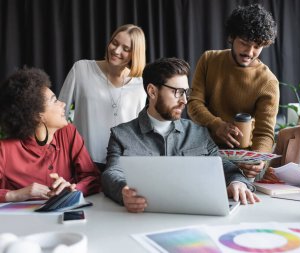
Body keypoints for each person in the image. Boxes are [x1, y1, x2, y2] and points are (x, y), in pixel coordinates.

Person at [102, 58, 260, 213]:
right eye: (177, 92)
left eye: (186, 92)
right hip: (140, 219)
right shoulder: (121, 134)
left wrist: (238, 182)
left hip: (193, 220)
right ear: (152, 91)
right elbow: (112, 173)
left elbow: (224, 167)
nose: (184, 100)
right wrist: (123, 191)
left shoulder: (199, 133)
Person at [187, 4, 279, 179]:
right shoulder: (209, 60)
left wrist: (258, 160)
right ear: (232, 37)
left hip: (241, 159)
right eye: (244, 43)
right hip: (202, 152)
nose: (249, 52)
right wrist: (216, 124)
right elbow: (193, 103)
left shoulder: (268, 81)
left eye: (257, 46)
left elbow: (264, 132)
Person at [0, 68, 101, 202]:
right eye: (54, 101)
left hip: (65, 218)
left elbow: (92, 177)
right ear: (37, 115)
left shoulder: (68, 133)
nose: (63, 104)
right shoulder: (5, 150)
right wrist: (17, 194)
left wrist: (74, 190)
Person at [59, 24, 147, 171]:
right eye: (114, 43)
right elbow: (59, 112)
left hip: (122, 165)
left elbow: (139, 131)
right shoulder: (81, 69)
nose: (116, 50)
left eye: (126, 49)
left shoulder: (140, 85)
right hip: (82, 163)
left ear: (135, 54)